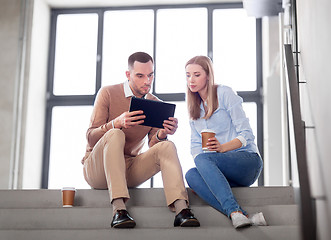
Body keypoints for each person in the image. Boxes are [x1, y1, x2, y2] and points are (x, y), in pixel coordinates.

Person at [82, 52, 200, 228]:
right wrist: (116, 123)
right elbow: (91, 138)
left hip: (128, 169)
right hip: (97, 170)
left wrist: (161, 134)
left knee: (167, 146)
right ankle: (119, 210)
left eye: (150, 75)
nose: (147, 81)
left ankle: (182, 210)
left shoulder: (154, 103)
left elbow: (154, 144)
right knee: (116, 134)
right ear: (128, 75)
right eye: (140, 76)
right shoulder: (108, 93)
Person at [184, 55, 266, 229]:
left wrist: (222, 148)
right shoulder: (194, 109)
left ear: (208, 75)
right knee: (191, 174)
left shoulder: (224, 93)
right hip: (222, 170)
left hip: (247, 162)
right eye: (188, 75)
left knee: (202, 160)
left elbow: (247, 135)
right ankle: (241, 215)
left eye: (197, 74)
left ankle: (235, 211)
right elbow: (195, 147)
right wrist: (206, 170)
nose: (191, 80)